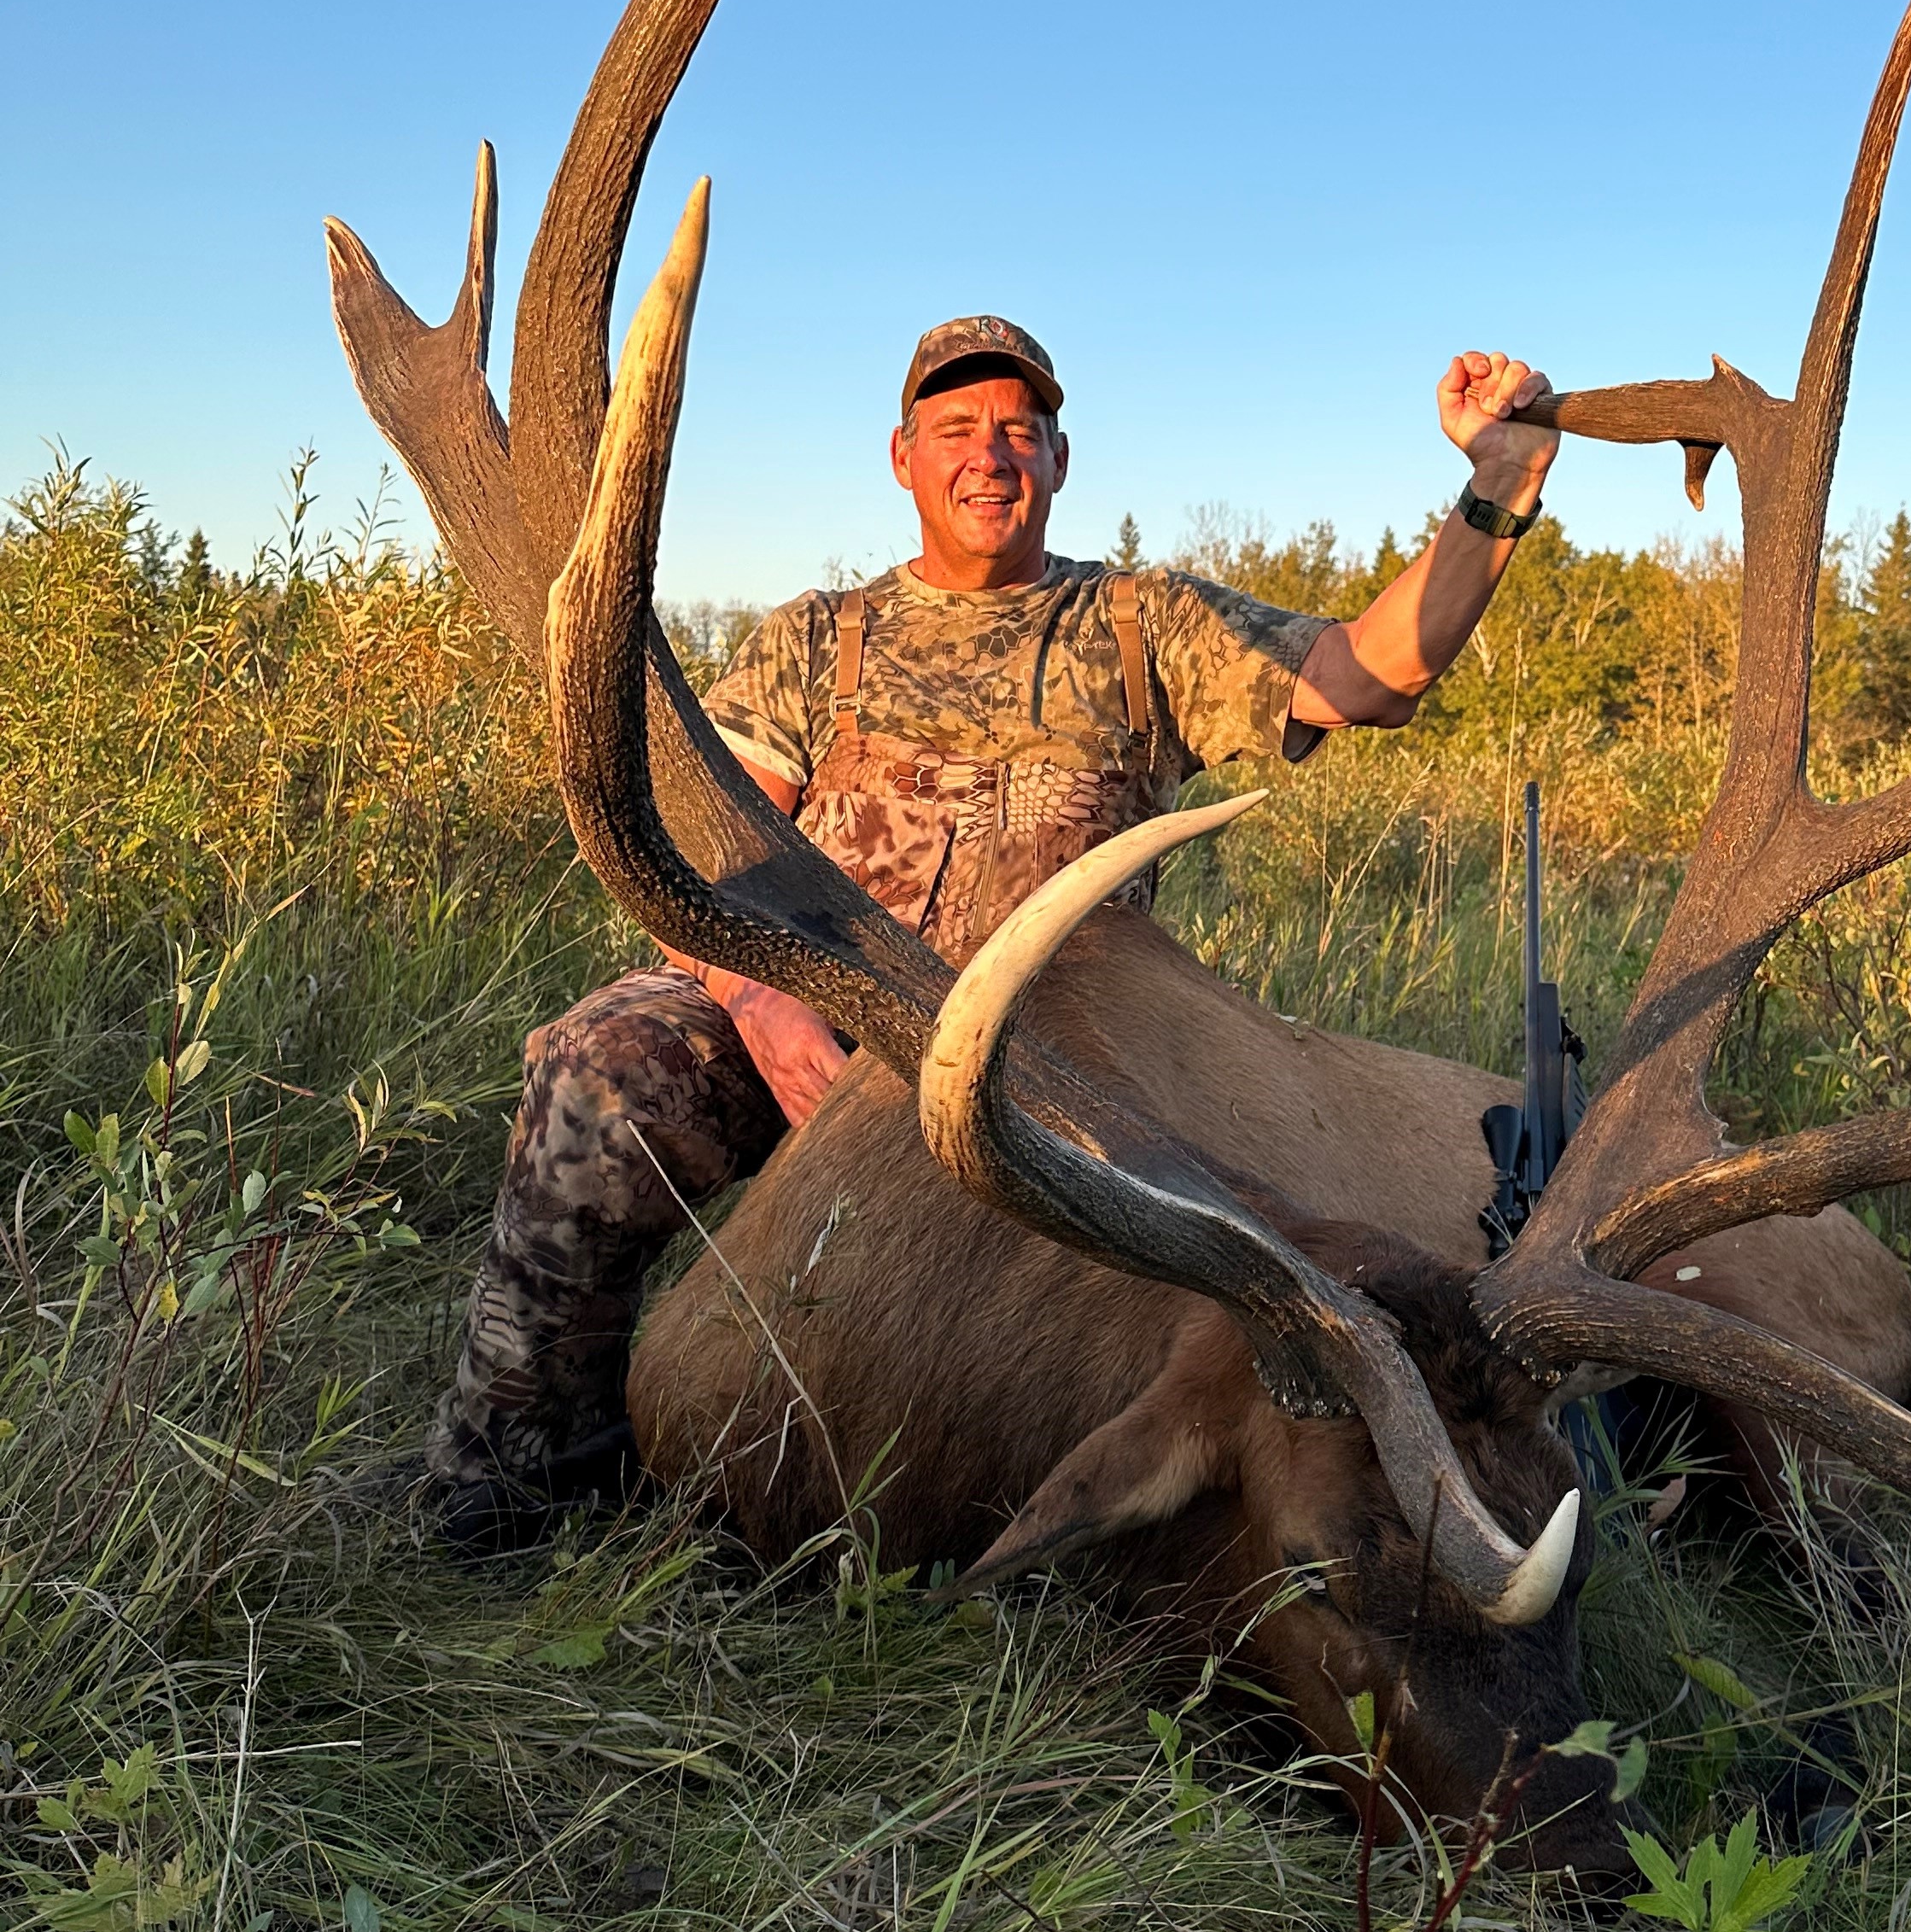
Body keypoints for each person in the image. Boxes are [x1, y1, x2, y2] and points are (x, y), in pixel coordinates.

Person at [425, 312, 1563, 1550]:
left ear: (1060, 463)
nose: (991, 454)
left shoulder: (1143, 628)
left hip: (1060, 1068)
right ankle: (522, 1467)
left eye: (1021, 430)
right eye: (957, 428)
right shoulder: (818, 639)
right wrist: (761, 1004)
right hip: (813, 1032)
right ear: (903, 456)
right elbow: (711, 846)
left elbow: (1371, 674)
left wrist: (1497, 482)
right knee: (604, 1065)